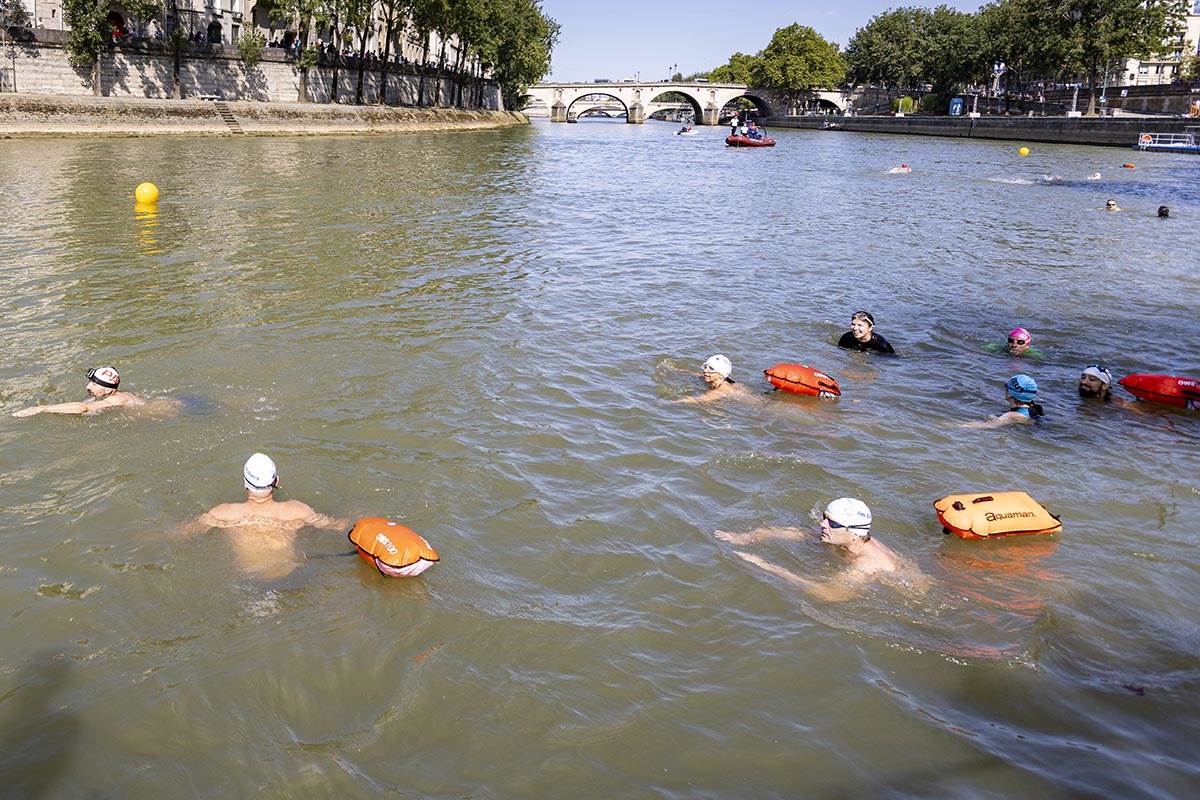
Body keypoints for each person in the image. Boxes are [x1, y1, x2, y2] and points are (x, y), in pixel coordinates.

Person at [181, 454, 348, 579]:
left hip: (250, 581)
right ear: (276, 481)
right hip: (290, 576)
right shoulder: (297, 510)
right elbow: (338, 526)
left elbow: (184, 532)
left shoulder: (224, 513)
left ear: (245, 482)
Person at [715, 497, 901, 602]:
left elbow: (830, 594)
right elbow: (794, 533)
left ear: (852, 532)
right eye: (824, 517)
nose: (822, 524)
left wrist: (767, 566)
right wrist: (744, 538)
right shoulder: (845, 536)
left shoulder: (864, 566)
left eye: (832, 523)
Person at [12, 366, 145, 417]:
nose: (88, 387)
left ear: (108, 389)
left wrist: (42, 408)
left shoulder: (114, 400)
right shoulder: (124, 395)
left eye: (94, 384)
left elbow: (82, 408)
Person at [964, 373, 1043, 428]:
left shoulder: (1012, 415)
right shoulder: (1033, 408)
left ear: (1009, 394)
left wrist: (955, 425)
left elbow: (988, 425)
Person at [673, 354, 756, 404]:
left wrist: (670, 402)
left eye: (711, 369)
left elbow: (698, 400)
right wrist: (677, 370)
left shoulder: (720, 391)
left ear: (721, 374)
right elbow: (696, 374)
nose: (706, 371)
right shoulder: (717, 379)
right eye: (705, 367)